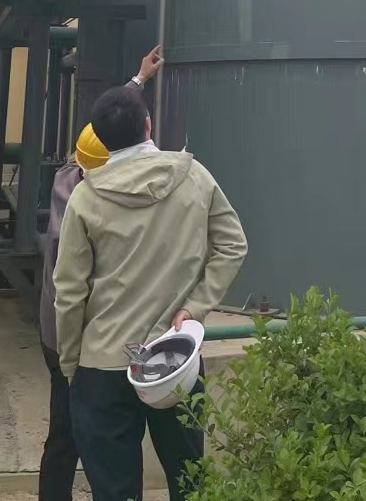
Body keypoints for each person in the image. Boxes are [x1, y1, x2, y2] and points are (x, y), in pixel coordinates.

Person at [54, 83, 247, 501]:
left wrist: (71, 363)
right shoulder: (194, 176)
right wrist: (195, 307)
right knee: (190, 483)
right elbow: (233, 245)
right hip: (174, 357)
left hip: (103, 363)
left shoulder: (85, 198)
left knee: (115, 490)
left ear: (100, 139)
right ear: (148, 124)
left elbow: (68, 292)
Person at [37, 45, 164, 501]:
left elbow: (103, 131)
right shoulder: (89, 207)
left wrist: (138, 81)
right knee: (78, 432)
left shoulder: (69, 175)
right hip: (73, 337)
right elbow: (73, 291)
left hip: (57, 333)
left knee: (66, 433)